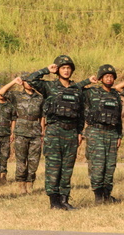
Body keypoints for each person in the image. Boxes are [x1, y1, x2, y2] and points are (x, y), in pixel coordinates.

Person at [26, 55, 89, 211]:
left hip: (71, 132)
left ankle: (64, 199)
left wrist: (79, 131)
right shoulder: (49, 87)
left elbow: (81, 113)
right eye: (63, 68)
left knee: (67, 168)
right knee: (54, 167)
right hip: (54, 131)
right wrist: (46, 70)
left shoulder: (76, 90)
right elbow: (30, 81)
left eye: (68, 68)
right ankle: (54, 201)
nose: (66, 70)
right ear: (58, 70)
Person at [0, 74, 44, 194]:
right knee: (21, 160)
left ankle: (30, 182)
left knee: (34, 160)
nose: (30, 83)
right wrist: (13, 82)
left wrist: (42, 132)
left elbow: (43, 116)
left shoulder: (40, 98)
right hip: (21, 131)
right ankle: (21, 183)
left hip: (35, 131)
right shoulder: (16, 95)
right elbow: (1, 93)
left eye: (32, 81)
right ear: (23, 82)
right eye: (27, 81)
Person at [82, 65, 124, 204]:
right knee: (98, 166)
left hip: (112, 133)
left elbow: (118, 117)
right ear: (100, 78)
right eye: (106, 76)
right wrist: (87, 81)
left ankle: (107, 195)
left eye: (111, 76)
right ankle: (98, 196)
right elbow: (73, 89)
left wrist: (119, 135)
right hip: (96, 132)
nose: (109, 78)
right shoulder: (91, 92)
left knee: (110, 166)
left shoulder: (116, 96)